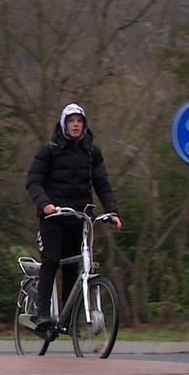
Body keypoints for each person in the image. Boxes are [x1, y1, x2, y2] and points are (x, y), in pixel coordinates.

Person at [26, 103, 122, 330]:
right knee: (51, 261)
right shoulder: (49, 150)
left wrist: (112, 211)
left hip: (80, 217)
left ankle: (68, 320)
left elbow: (102, 184)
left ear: (84, 124)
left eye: (79, 121)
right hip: (54, 216)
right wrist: (45, 204)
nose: (76, 125)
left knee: (73, 267)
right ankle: (42, 315)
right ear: (64, 124)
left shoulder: (91, 152)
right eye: (71, 121)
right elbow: (33, 181)